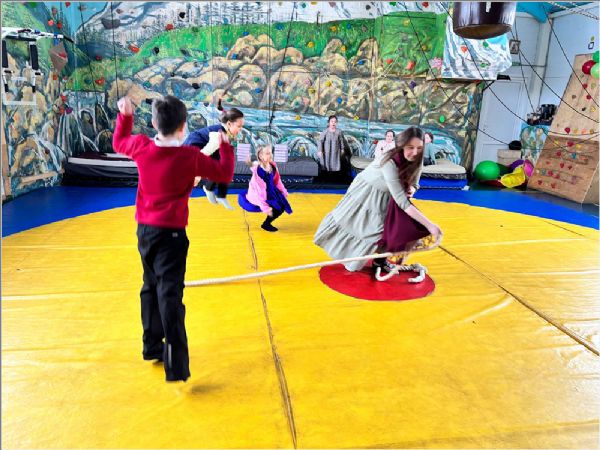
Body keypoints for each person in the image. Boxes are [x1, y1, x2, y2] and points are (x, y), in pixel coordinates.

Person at [112, 95, 235, 382]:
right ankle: (176, 365)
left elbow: (119, 142)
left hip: (145, 232)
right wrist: (226, 147)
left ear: (154, 123)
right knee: (169, 295)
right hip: (172, 235)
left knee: (150, 287)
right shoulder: (189, 157)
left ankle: (151, 346)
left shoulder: (142, 147)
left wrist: (126, 116)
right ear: (183, 127)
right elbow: (224, 173)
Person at [314, 127, 442, 272]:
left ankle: (380, 262)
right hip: (368, 192)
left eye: (419, 148)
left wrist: (413, 188)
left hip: (389, 194)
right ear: (402, 146)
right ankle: (350, 258)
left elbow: (415, 181)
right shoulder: (389, 162)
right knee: (370, 230)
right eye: (410, 147)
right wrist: (430, 225)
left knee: (388, 229)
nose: (415, 152)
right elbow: (402, 202)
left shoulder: (417, 158)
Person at [185, 98, 244, 210]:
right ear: (229, 124)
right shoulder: (218, 136)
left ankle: (208, 188)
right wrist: (196, 175)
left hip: (204, 147)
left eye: (242, 126)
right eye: (239, 126)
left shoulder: (226, 130)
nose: (241, 129)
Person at [238, 145, 292, 232]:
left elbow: (277, 180)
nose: (270, 155)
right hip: (264, 194)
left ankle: (266, 223)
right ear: (261, 156)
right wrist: (265, 208)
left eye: (271, 153)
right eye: (267, 153)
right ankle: (266, 224)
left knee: (281, 206)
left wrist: (283, 190)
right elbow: (259, 192)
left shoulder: (272, 166)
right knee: (278, 207)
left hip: (272, 191)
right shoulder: (259, 171)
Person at [317, 115, 351, 180]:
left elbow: (341, 141)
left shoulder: (339, 131)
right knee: (326, 162)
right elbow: (320, 141)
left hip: (335, 151)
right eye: (332, 121)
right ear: (329, 122)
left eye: (335, 122)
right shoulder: (325, 131)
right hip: (327, 151)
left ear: (336, 123)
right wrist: (320, 150)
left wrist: (342, 149)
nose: (333, 123)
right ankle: (326, 176)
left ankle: (334, 176)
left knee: (335, 162)